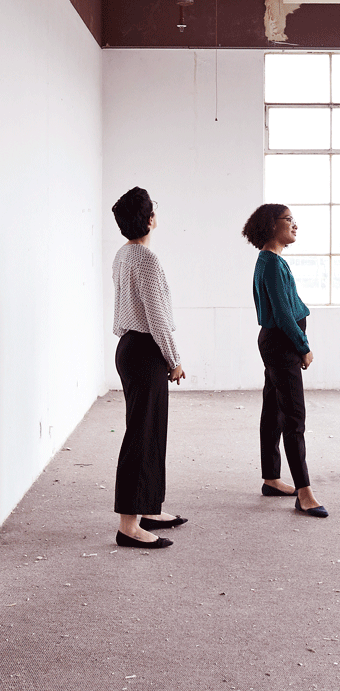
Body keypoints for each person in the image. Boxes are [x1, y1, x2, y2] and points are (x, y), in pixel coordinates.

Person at [111, 188, 187, 549]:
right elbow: (157, 318)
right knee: (142, 435)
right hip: (145, 351)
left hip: (128, 347)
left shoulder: (122, 255)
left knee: (151, 432)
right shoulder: (147, 259)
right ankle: (129, 524)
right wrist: (174, 359)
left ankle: (150, 508)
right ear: (149, 219)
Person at [242, 204, 327, 518]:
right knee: (294, 418)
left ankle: (272, 478)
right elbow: (282, 315)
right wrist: (303, 347)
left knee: (273, 410)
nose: (295, 225)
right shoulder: (272, 264)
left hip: (275, 342)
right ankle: (304, 492)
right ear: (271, 225)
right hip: (282, 344)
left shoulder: (270, 260)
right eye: (289, 220)